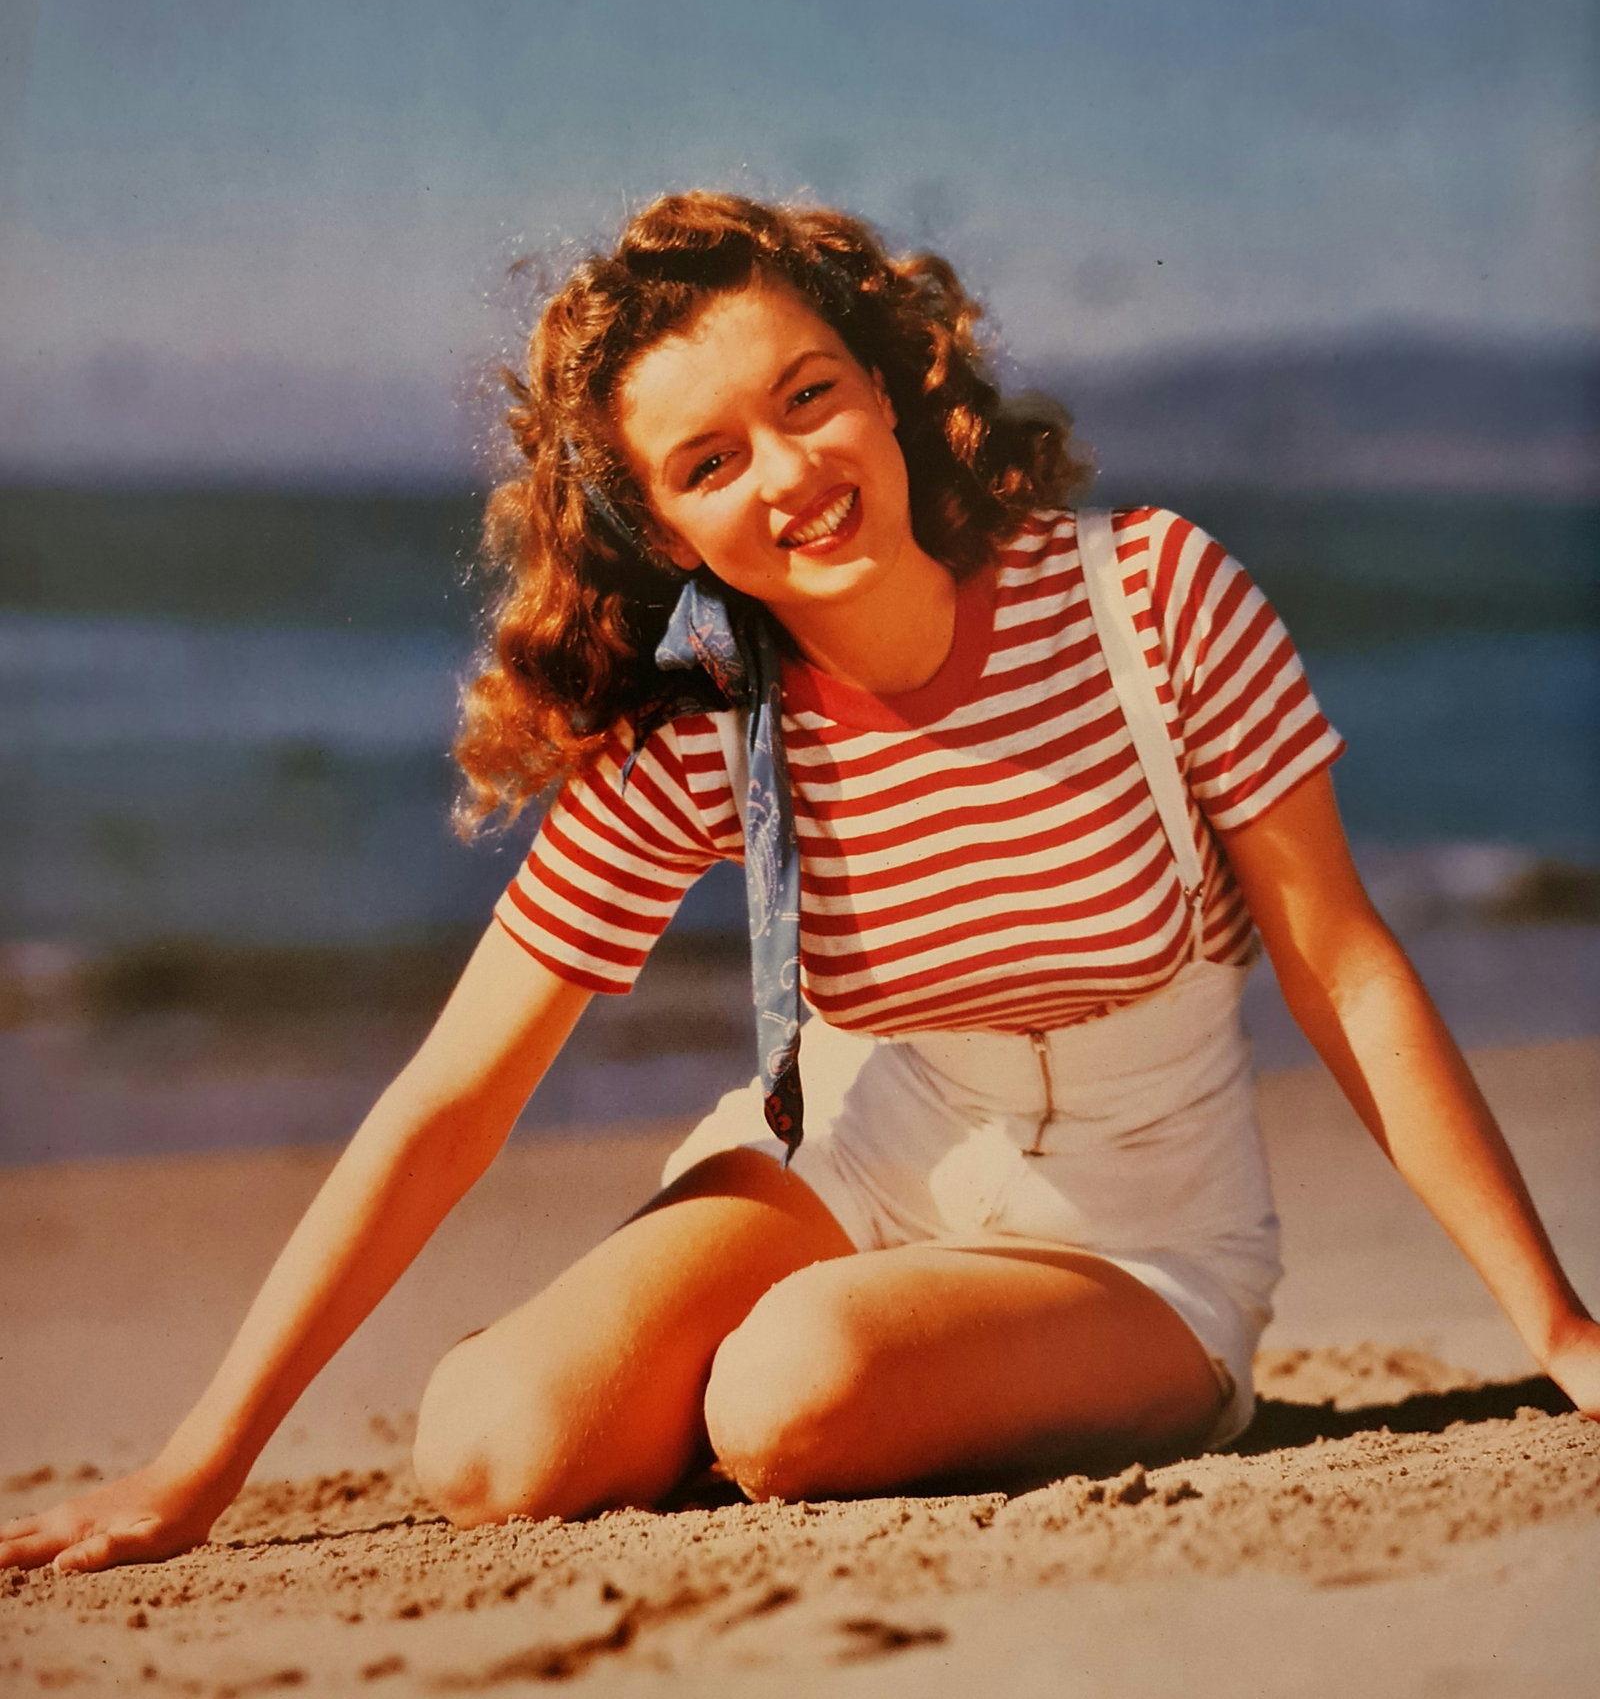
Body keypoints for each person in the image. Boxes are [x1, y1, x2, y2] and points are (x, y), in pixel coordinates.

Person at [4, 192, 1597, 1574]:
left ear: (887, 385)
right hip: (852, 1156)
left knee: (791, 1394)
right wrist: (198, 1465)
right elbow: (455, 1095)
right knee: (493, 1450)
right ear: (669, 531)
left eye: (808, 396)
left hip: (1137, 1225)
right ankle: (756, 1348)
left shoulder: (1152, 600)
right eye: (710, 461)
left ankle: (843, 1360)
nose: (788, 473)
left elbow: (1345, 969)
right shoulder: (711, 733)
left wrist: (1562, 1333)